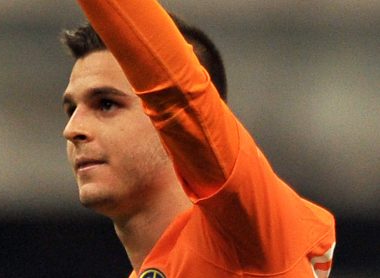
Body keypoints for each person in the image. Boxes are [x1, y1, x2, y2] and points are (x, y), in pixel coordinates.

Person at [61, 0, 336, 277]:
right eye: (72, 110)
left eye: (106, 104)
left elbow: (178, 94)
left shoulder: (244, 237)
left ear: (174, 126)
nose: (72, 129)